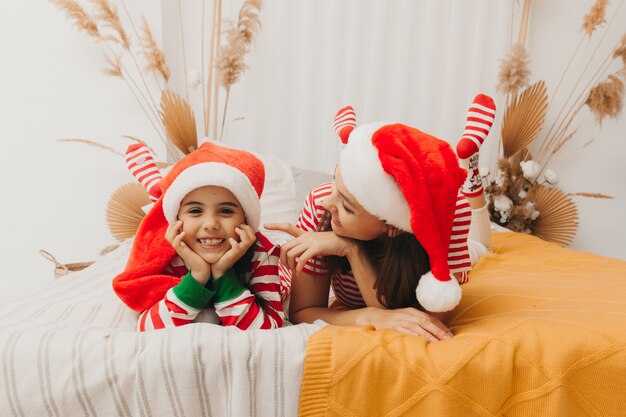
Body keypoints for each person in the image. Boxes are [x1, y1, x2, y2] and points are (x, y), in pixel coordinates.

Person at [266, 95, 495, 342]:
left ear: (392, 227)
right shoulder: (320, 203)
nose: (327, 203)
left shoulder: (451, 213)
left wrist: (351, 249)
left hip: (435, 225)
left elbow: (433, 320)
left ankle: (469, 172)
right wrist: (373, 316)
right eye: (336, 182)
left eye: (347, 206)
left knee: (481, 248)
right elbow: (302, 312)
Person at [113, 141, 286, 331]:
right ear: (177, 219)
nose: (211, 224)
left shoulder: (263, 253)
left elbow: (267, 328)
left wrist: (222, 274)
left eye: (226, 211)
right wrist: (197, 276)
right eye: (195, 211)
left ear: (246, 219)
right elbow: (149, 327)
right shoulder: (173, 252)